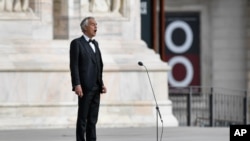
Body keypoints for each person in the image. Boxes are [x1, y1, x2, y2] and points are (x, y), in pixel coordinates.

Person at [69, 16, 107, 141]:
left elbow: (98, 64)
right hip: (84, 87)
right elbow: (74, 65)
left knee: (93, 119)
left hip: (96, 87)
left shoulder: (96, 44)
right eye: (93, 24)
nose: (96, 27)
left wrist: (101, 83)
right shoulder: (77, 43)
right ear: (85, 27)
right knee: (83, 118)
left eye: (96, 24)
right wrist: (76, 84)